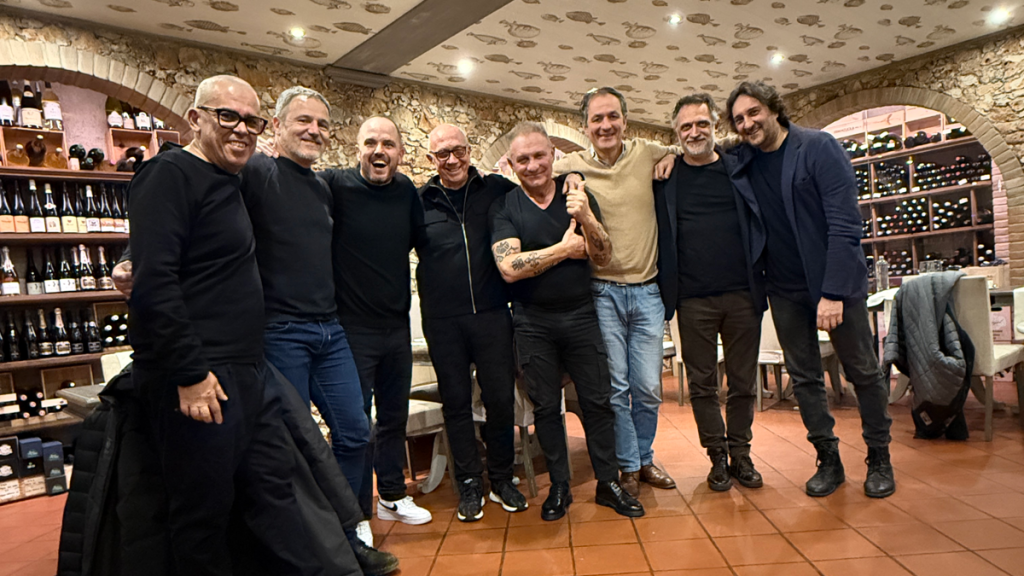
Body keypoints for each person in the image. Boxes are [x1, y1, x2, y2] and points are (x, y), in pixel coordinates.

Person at [127, 74, 324, 576]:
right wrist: (190, 374)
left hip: (247, 374)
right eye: (227, 116)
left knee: (272, 493)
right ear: (195, 119)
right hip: (201, 378)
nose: (241, 129)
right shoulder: (169, 173)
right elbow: (156, 282)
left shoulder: (232, 181)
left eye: (251, 120)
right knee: (202, 516)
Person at [725, 81, 896, 498]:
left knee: (863, 372)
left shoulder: (818, 147)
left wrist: (833, 292)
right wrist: (662, 158)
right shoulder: (741, 158)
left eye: (753, 112)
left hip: (834, 286)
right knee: (804, 378)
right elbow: (697, 151)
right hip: (783, 289)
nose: (747, 123)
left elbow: (845, 223)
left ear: (774, 109)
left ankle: (879, 457)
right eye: (738, 119)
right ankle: (828, 459)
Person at [489, 121, 643, 521]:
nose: (533, 165)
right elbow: (509, 267)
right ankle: (560, 485)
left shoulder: (577, 193)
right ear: (511, 163)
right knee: (546, 408)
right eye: (523, 159)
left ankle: (608, 483)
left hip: (581, 315)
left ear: (553, 156)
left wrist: (587, 219)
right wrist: (562, 249)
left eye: (540, 155)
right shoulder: (506, 206)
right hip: (531, 321)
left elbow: (603, 255)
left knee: (597, 402)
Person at [554, 87, 678, 496]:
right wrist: (566, 176)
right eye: (596, 119)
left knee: (648, 387)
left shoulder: (647, 152)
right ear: (585, 126)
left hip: (647, 292)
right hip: (601, 293)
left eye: (612, 117)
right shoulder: (571, 163)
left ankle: (643, 457)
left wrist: (672, 156)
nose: (605, 125)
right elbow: (532, 172)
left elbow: (687, 144)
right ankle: (629, 465)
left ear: (626, 120)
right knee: (617, 387)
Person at [320, 117, 433, 526]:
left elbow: (426, 241)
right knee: (354, 426)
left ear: (401, 152)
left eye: (388, 143)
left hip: (396, 328)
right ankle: (355, 514)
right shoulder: (334, 185)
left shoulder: (405, 192)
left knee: (393, 417)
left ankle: (391, 495)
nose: (379, 150)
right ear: (357, 148)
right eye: (370, 142)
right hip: (351, 330)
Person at [415, 124, 527, 522]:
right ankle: (468, 482)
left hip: (495, 315)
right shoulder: (419, 201)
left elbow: (533, 198)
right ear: (431, 160)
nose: (452, 160)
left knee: (499, 401)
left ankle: (500, 477)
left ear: (469, 150)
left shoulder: (496, 189)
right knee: (457, 404)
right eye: (442, 154)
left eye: (458, 150)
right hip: (443, 322)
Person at [654, 94, 765, 492]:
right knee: (701, 385)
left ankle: (742, 454)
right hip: (692, 299)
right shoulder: (665, 177)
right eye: (685, 127)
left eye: (701, 123)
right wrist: (666, 154)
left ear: (715, 126)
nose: (694, 132)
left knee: (742, 383)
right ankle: (716, 456)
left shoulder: (740, 166)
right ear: (676, 132)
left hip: (742, 295)